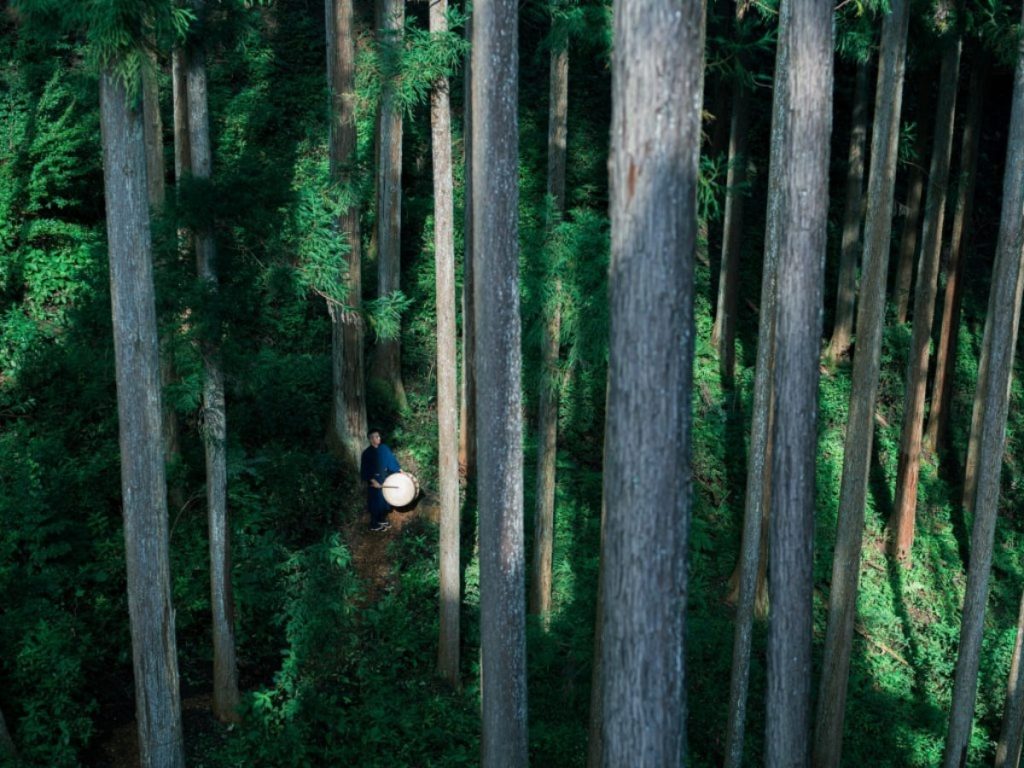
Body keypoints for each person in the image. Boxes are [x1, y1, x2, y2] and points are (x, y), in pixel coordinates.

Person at [360, 428, 401, 532]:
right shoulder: (366, 453)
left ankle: (381, 519)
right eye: (375, 437)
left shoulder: (384, 448)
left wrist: (401, 471)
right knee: (375, 502)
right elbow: (365, 469)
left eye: (378, 436)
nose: (378, 438)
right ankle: (373, 524)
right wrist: (373, 481)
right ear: (370, 439)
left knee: (384, 501)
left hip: (385, 478)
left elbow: (392, 461)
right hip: (374, 481)